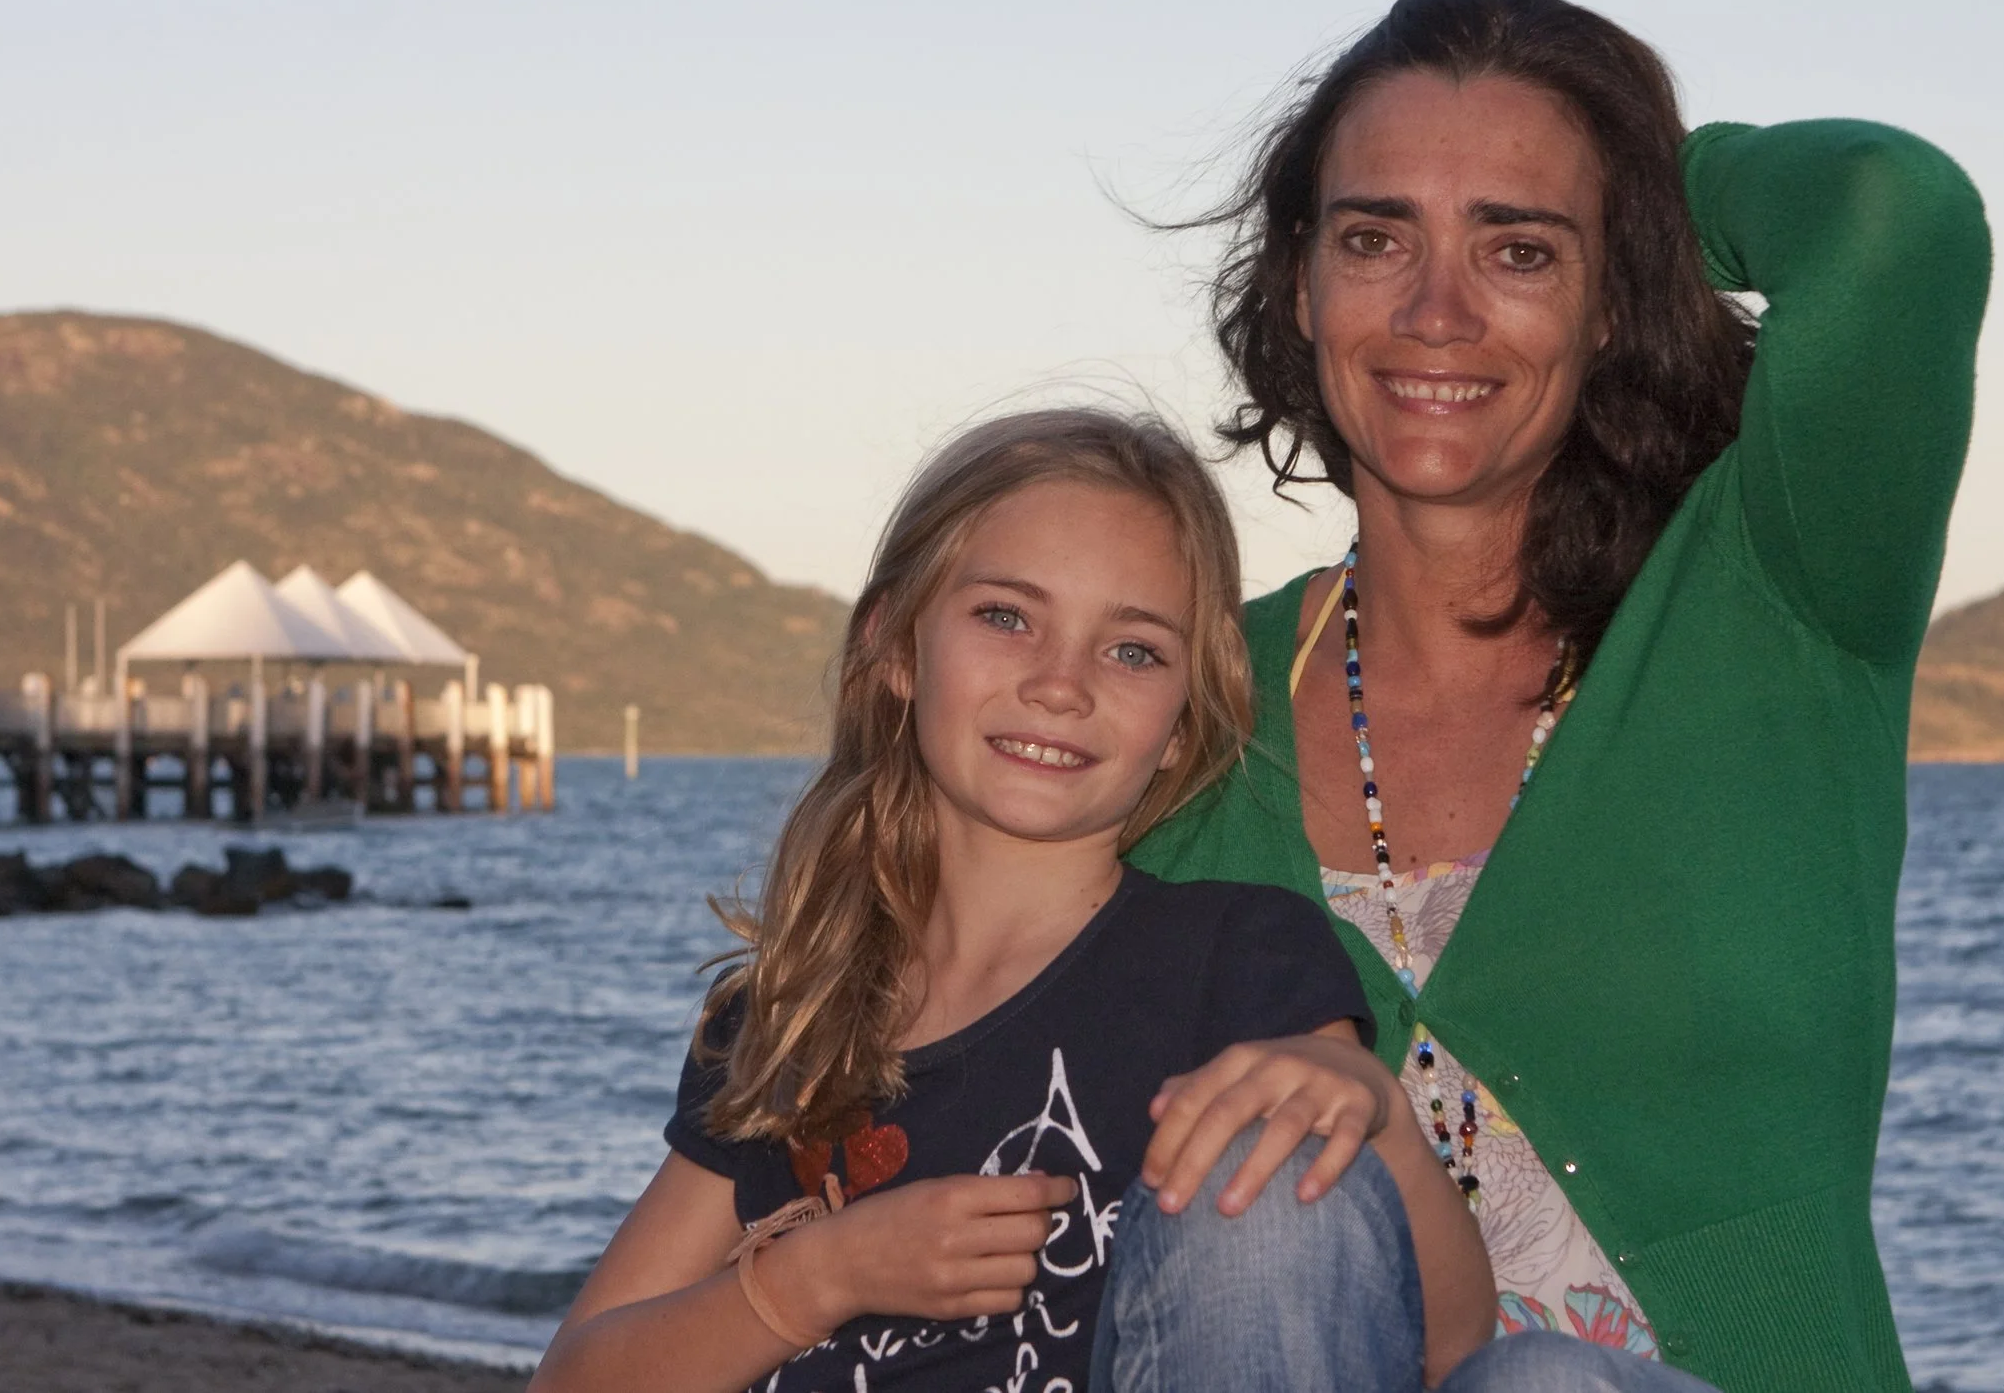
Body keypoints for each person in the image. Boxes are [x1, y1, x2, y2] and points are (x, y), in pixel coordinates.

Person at [1112, 0, 1990, 1393]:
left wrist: (1646, 178)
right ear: (1301, 283)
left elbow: (1898, 211)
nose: (1436, 309)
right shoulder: (1176, 696)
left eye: (1519, 248)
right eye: (1374, 237)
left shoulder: (1775, 605)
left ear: (1612, 300)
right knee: (1251, 1187)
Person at [531, 410, 1496, 1393]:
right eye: (1006, 616)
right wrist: (819, 1275)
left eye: (1132, 650)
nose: (1060, 683)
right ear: (895, 646)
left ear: (1181, 724)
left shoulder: (1236, 959)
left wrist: (1378, 1110)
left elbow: (1451, 1342)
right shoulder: (786, 1020)